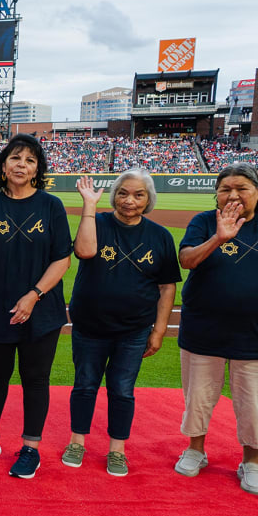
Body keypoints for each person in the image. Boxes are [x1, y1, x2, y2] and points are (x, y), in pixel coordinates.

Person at [175, 163, 258, 496]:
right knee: (199, 397)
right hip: (204, 328)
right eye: (225, 189)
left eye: (242, 188)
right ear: (216, 194)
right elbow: (187, 260)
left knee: (254, 402)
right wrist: (220, 237)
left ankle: (251, 460)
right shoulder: (203, 222)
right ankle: (195, 450)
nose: (233, 195)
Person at [0, 134, 72, 479]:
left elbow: (62, 259)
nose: (22, 165)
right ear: (3, 166)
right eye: (15, 158)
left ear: (38, 170)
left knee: (35, 378)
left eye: (30, 160)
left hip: (41, 306)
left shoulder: (51, 206)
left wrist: (33, 295)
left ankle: (30, 448)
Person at [62, 171, 180, 477]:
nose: (129, 200)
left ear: (148, 199)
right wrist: (89, 205)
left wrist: (159, 329)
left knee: (122, 390)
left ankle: (117, 449)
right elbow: (84, 251)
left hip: (134, 329)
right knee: (85, 385)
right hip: (90, 324)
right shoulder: (97, 223)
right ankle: (77, 442)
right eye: (123, 193)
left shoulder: (160, 236)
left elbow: (167, 286)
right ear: (114, 195)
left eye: (138, 195)